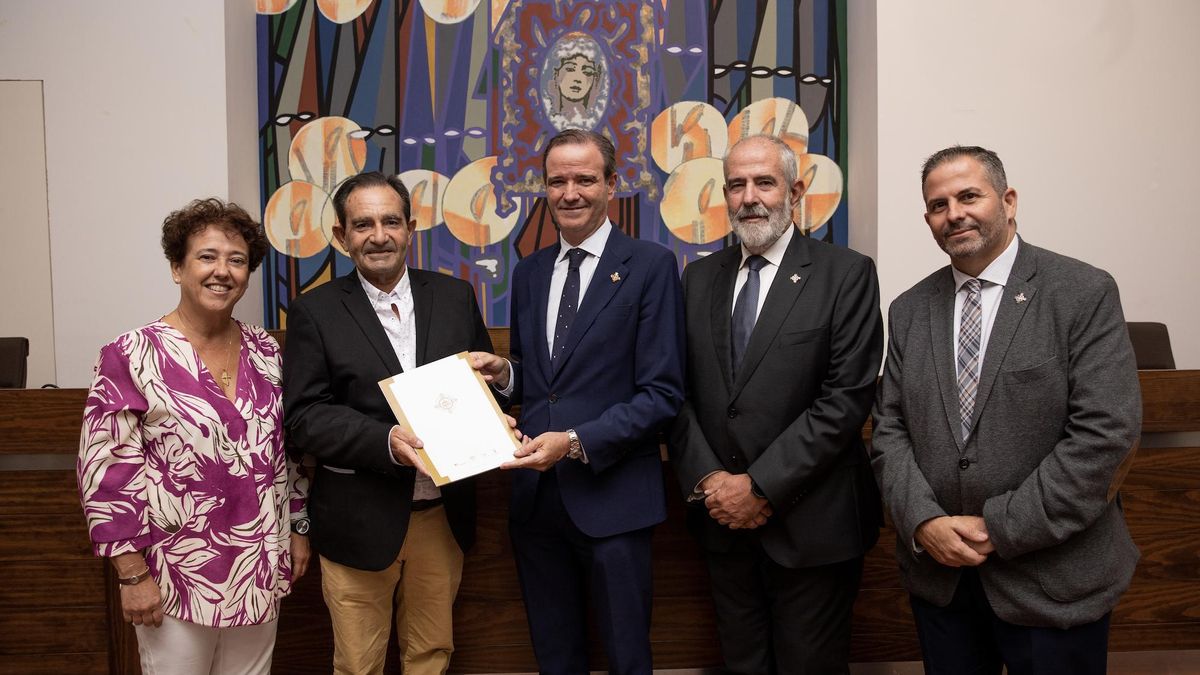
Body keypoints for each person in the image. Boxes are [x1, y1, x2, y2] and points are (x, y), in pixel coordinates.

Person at [870, 145, 1142, 674]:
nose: (954, 214)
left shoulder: (1082, 292)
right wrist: (924, 522)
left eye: (969, 196)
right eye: (938, 204)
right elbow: (890, 430)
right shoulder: (908, 310)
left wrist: (1000, 527)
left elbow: (1105, 435)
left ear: (1008, 200)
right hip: (943, 583)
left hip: (1051, 580)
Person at [667, 134, 884, 673]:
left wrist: (759, 487)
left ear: (797, 191)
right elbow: (677, 393)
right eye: (736, 185)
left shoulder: (846, 274)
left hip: (813, 528)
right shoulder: (698, 279)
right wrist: (711, 483)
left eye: (764, 182)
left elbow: (845, 400)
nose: (749, 197)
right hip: (722, 525)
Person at [474, 129, 685, 673]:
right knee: (554, 657)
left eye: (585, 179)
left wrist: (573, 443)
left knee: (626, 658)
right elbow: (544, 385)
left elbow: (662, 393)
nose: (570, 193)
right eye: (557, 180)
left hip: (614, 500)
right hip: (537, 503)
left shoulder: (652, 266)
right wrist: (505, 375)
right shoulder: (530, 272)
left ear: (611, 185)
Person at [283, 171, 507, 675]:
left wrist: (502, 400)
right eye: (362, 224)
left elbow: (481, 386)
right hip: (358, 518)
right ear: (341, 236)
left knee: (431, 655)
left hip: (440, 516)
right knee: (359, 664)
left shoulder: (454, 296)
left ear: (411, 228)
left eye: (390, 221)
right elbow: (304, 418)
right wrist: (384, 440)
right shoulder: (314, 312)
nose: (378, 235)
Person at [78, 198, 309, 675]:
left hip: (258, 566)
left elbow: (286, 454)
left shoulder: (266, 349)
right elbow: (106, 475)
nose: (222, 271)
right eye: (207, 256)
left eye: (237, 260)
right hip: (173, 575)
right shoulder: (131, 354)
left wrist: (298, 528)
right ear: (176, 268)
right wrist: (131, 574)